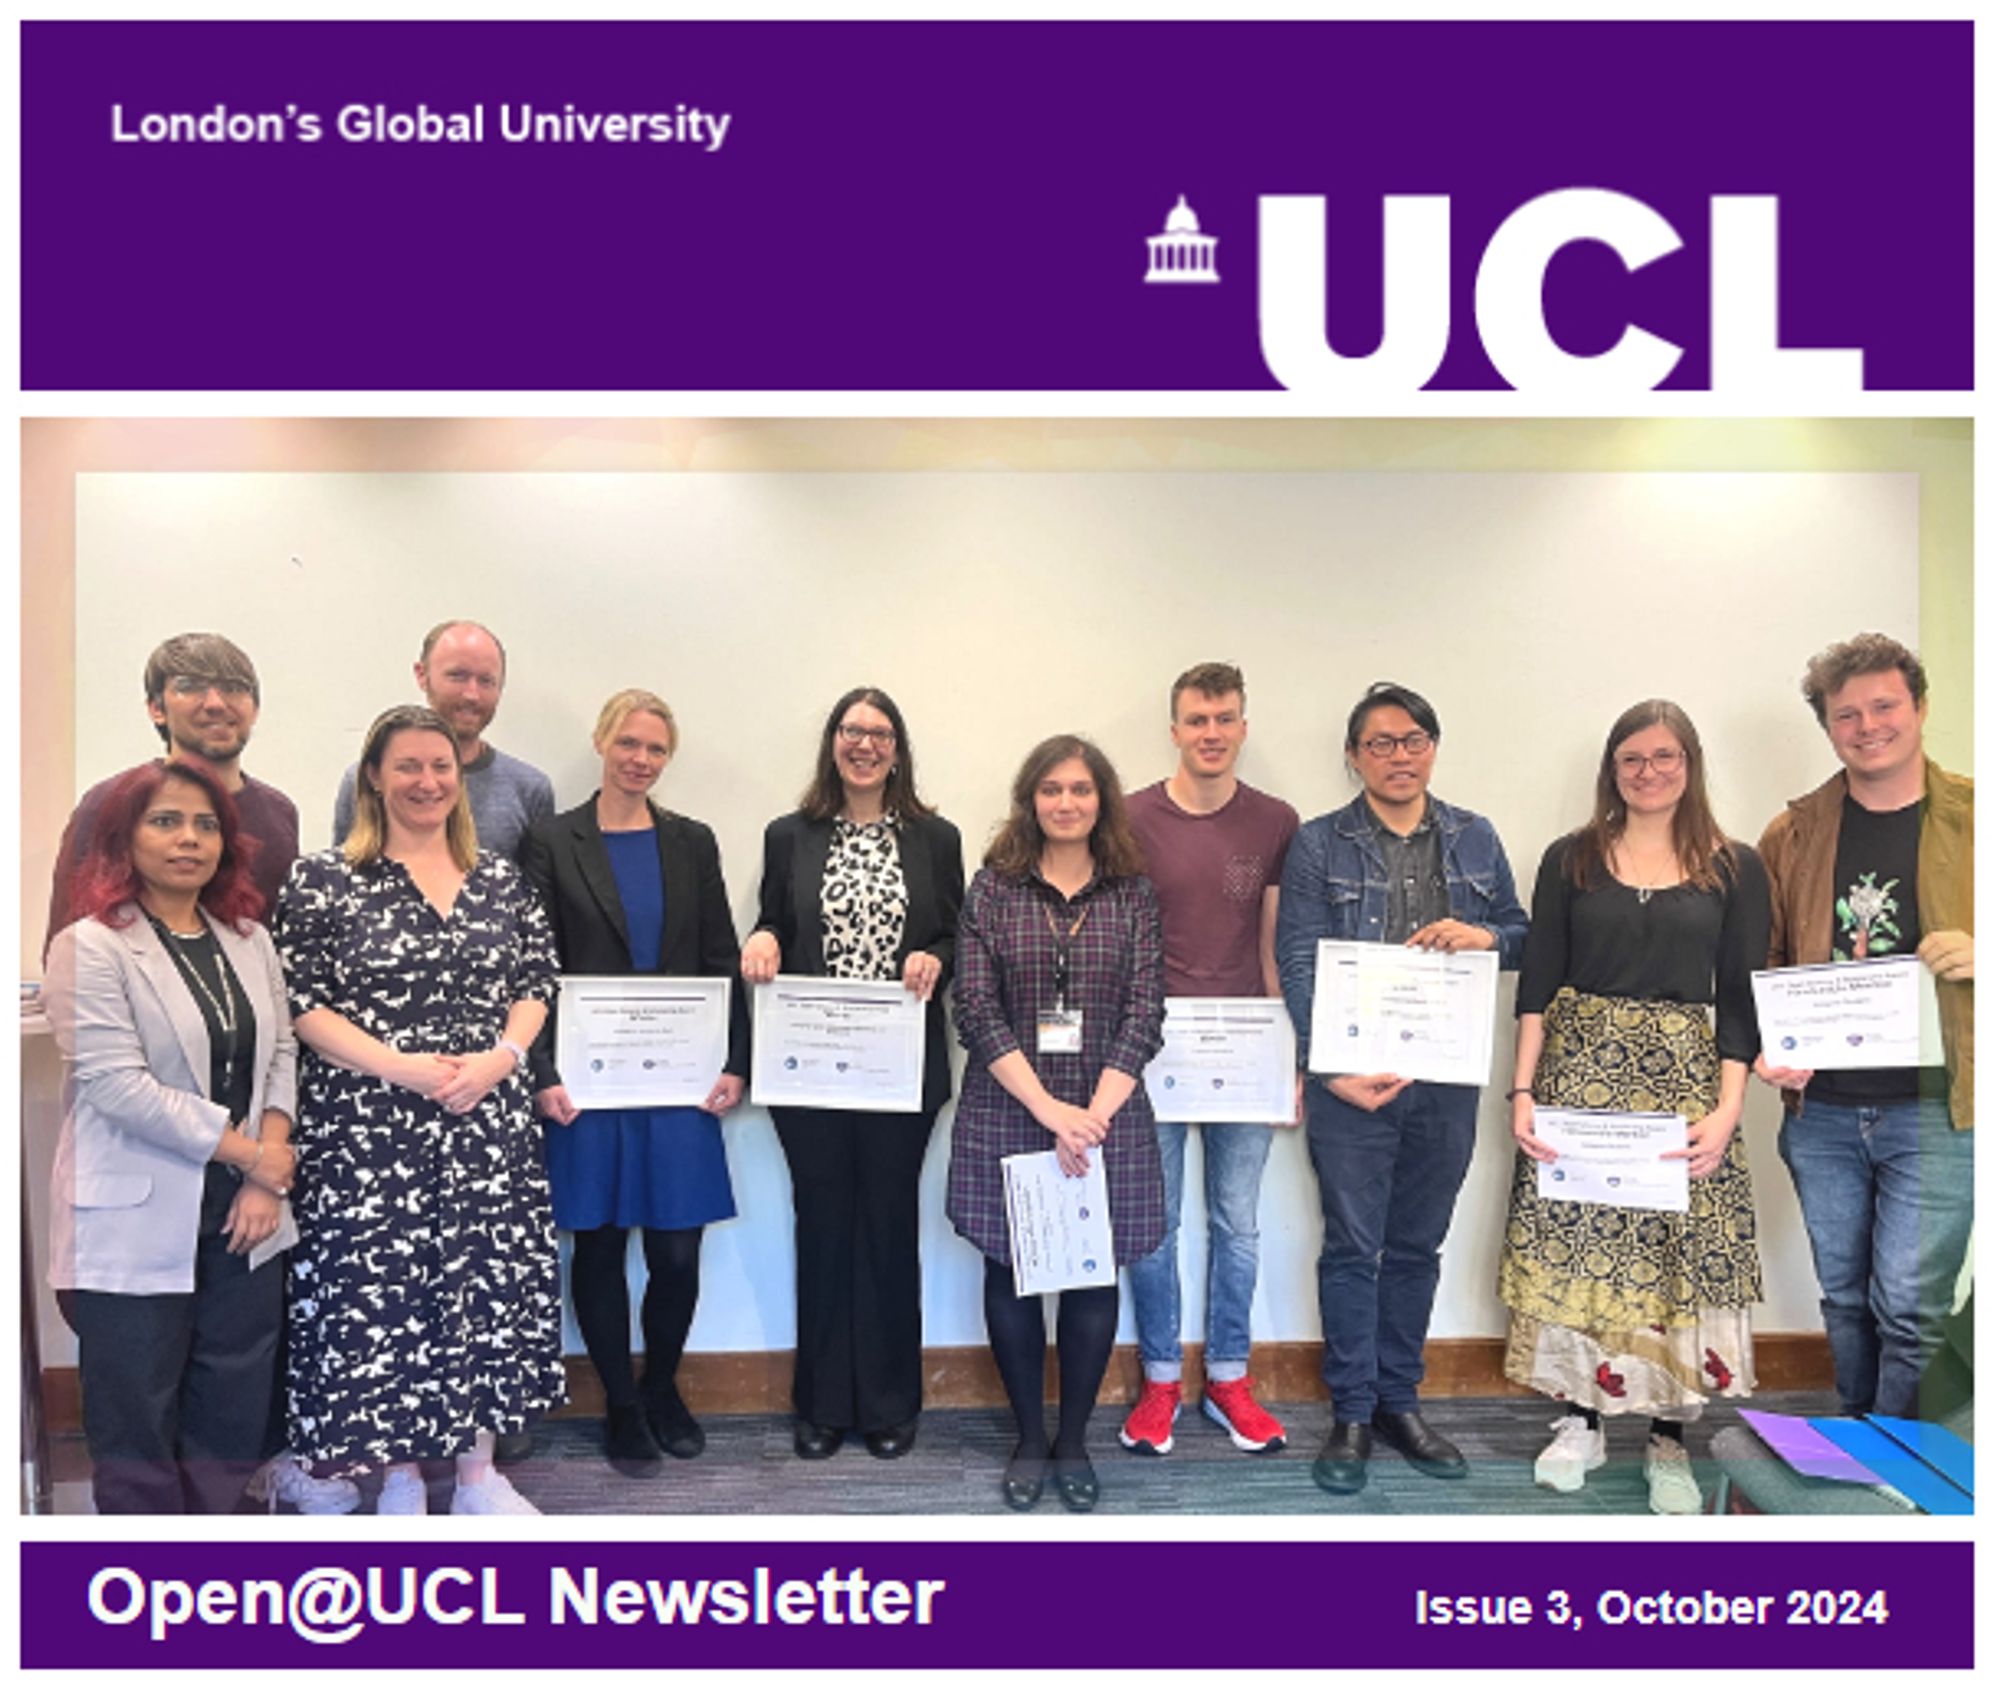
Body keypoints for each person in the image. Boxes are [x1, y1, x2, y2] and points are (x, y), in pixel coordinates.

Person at [274, 704, 565, 1515]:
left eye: (441, 766)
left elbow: (536, 985)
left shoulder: (501, 879)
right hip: (369, 1131)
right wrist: (399, 1067)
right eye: (407, 766)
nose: (427, 781)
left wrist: (502, 1059)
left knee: (481, 1293)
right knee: (388, 1299)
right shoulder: (322, 878)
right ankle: (399, 1475)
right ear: (374, 775)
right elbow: (302, 1003)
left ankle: (476, 1478)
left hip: (485, 1123)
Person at [1499, 699, 1770, 1516]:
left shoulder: (1735, 865)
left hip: (1685, 1095)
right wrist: (1521, 1094)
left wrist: (1728, 1113)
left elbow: (1742, 1001)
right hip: (1579, 1091)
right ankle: (1580, 1421)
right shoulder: (1570, 859)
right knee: (1583, 1262)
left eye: (1665, 757)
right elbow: (1538, 984)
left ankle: (1666, 1439)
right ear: (1612, 770)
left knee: (1670, 1272)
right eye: (1633, 760)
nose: (1649, 773)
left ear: (1690, 764)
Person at [1276, 682, 1529, 1495]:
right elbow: (1299, 956)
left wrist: (1485, 933)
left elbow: (1524, 935)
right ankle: (1351, 1410)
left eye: (1412, 739)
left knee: (1417, 1246)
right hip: (1353, 1084)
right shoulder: (1319, 843)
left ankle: (1399, 1401)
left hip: (1445, 1082)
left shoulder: (1476, 837)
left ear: (1432, 748)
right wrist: (1330, 1068)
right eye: (1379, 743)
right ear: (1353, 756)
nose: (1397, 755)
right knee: (1353, 1247)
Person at [43, 759, 299, 1514]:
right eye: (165, 821)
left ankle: (216, 1540)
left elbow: (280, 1052)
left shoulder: (248, 938)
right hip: (135, 1202)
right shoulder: (89, 945)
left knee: (235, 1382)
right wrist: (256, 1155)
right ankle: (144, 1560)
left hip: (245, 1199)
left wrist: (263, 1176)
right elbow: (117, 1085)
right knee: (136, 1398)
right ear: (124, 839)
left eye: (205, 823)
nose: (188, 838)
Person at [521, 690, 750, 1476]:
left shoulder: (693, 843)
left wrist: (736, 1060)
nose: (640, 759)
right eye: (628, 743)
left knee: (677, 1254)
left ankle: (662, 1389)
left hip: (680, 1080)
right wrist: (542, 1069)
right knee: (599, 1246)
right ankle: (619, 1402)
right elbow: (532, 968)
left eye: (655, 748)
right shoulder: (552, 840)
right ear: (600, 742)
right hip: (587, 1086)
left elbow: (720, 953)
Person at [741, 687, 964, 1461]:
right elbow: (775, 918)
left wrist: (938, 953)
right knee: (825, 1227)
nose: (864, 744)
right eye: (850, 730)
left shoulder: (936, 838)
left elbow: (955, 934)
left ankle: (892, 1403)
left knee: (889, 1228)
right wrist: (763, 937)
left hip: (900, 1071)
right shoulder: (789, 835)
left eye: (879, 732)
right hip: (812, 1070)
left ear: (898, 749)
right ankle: (823, 1404)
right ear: (832, 743)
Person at [1756, 633, 1973, 1420]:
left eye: (1884, 706)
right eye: (1846, 714)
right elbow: (1764, 962)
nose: (1867, 725)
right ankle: (1859, 1447)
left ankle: (1900, 1463)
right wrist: (1764, 1050)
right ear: (1828, 728)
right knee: (1845, 1299)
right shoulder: (1793, 834)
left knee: (1911, 1307)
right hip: (1825, 1113)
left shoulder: (1979, 819)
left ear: (1919, 707)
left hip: (1940, 1110)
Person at [949, 734, 1167, 1512]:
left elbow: (1147, 1011)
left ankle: (1072, 1438)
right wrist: (1049, 1111)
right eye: (1050, 790)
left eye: (1080, 789)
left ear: (1100, 799)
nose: (1065, 803)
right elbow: (972, 1006)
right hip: (1012, 1106)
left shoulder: (1132, 892)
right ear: (1030, 800)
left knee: (1091, 1274)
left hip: (1106, 1112)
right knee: (1010, 1271)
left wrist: (1091, 1118)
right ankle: (1028, 1437)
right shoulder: (994, 888)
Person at [1120, 662, 1300, 1457]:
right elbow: (1121, 940)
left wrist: (1286, 1054)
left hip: (1247, 1047)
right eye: (1197, 720)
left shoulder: (1276, 821)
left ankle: (1229, 1376)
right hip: (1151, 1051)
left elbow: (1273, 942)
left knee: (1238, 1224)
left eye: (1225, 718)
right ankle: (1160, 1380)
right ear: (1174, 730)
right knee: (1153, 1226)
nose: (1212, 733)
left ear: (1243, 727)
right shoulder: (1129, 818)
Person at [47, 632, 299, 951]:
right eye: (190, 687)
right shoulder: (110, 802)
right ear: (156, 708)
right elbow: (66, 948)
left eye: (234, 688)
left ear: (256, 708)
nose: (216, 704)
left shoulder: (279, 812)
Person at [332, 620, 554, 861]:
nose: (472, 694)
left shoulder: (530, 789)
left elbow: (533, 894)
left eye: (486, 681)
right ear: (422, 675)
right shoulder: (365, 781)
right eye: (458, 676)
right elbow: (342, 876)